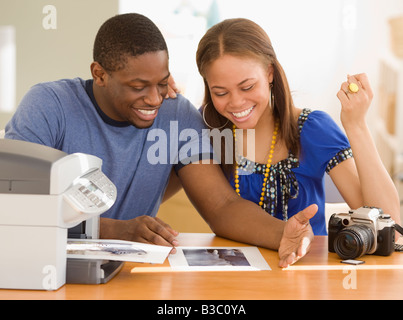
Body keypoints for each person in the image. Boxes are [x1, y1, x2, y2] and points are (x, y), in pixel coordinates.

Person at [5, 13, 317, 268]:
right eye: (139, 86)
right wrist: (116, 230)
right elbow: (13, 206)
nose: (155, 99)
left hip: (131, 277)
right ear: (99, 74)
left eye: (162, 82)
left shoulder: (177, 115)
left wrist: (282, 233)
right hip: (42, 269)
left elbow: (222, 205)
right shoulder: (49, 105)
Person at [196, 18, 400, 236]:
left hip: (306, 267)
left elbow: (391, 227)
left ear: (270, 73)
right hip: (233, 268)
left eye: (247, 87)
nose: (236, 102)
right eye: (221, 93)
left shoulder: (313, 129)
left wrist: (357, 125)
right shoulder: (203, 128)